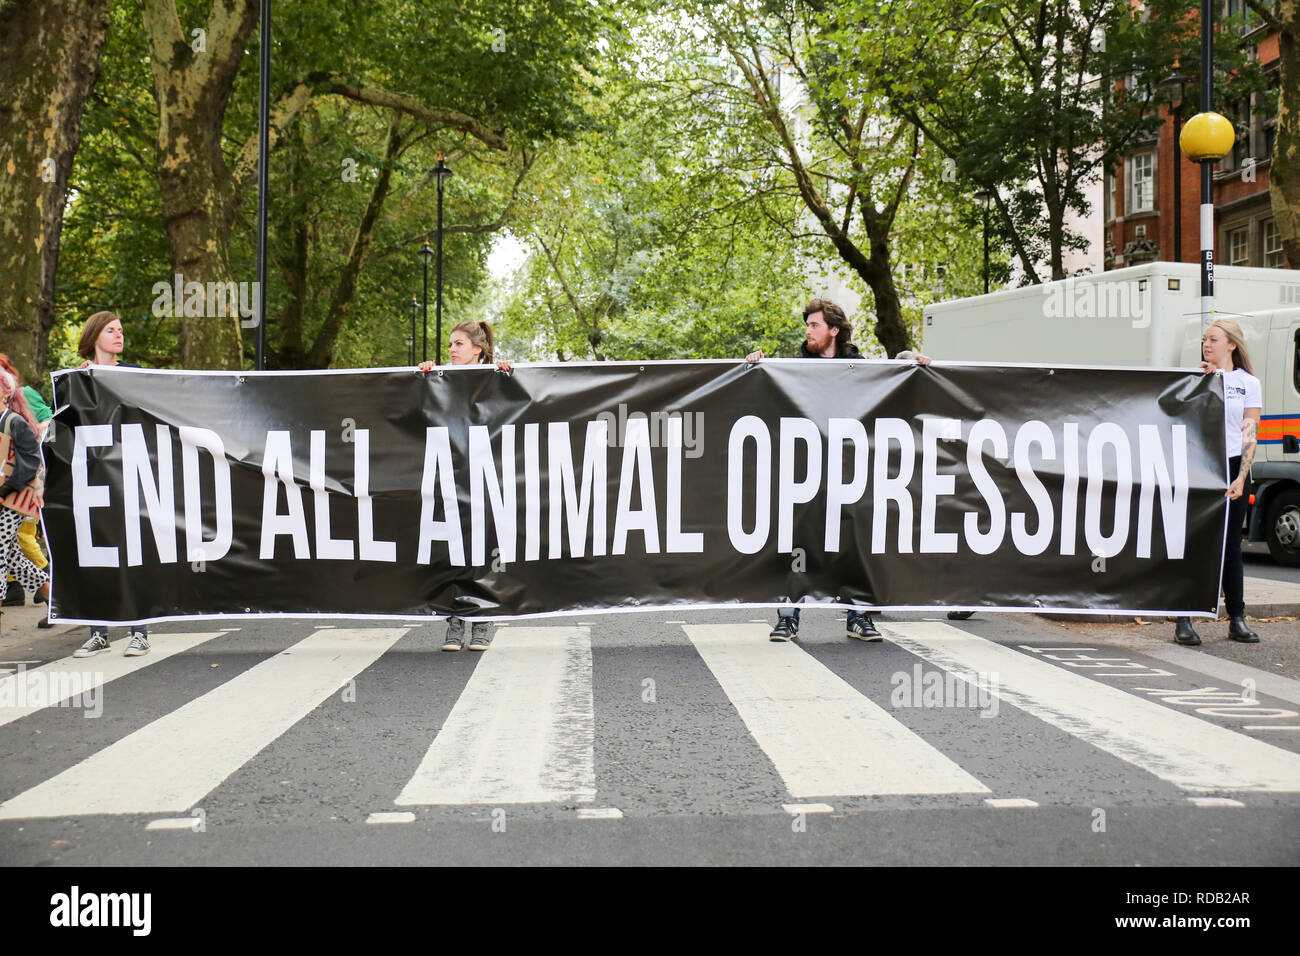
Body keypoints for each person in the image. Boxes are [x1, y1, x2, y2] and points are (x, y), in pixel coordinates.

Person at [746, 298, 889, 643]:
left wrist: (912, 363)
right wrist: (755, 366)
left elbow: (893, 382)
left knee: (852, 543)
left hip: (846, 470)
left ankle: (858, 617)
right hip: (805, 471)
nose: (808, 331)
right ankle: (788, 617)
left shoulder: (858, 366)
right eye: (807, 325)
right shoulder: (796, 367)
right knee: (798, 543)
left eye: (815, 325)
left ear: (834, 330)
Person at [418, 320, 511, 651]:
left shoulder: (496, 378)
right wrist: (422, 378)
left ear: (478, 349)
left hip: (486, 480)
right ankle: (455, 623)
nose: (452, 350)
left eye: (458, 344)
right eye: (450, 345)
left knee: (483, 550)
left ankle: (481, 622)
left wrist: (509, 377)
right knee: (452, 549)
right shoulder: (439, 379)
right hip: (450, 477)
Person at [1175, 319, 1262, 646]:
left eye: (1213, 339)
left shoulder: (1249, 383)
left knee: (1230, 546)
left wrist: (1241, 475)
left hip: (1233, 465)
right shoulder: (1197, 378)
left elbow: (1250, 432)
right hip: (1201, 465)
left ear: (1231, 345)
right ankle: (1184, 617)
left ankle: (1236, 618)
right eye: (1204, 340)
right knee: (1196, 542)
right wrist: (1197, 382)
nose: (1206, 345)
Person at [72, 311, 150, 657]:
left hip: (130, 476)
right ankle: (99, 631)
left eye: (121, 330)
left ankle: (139, 631)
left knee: (134, 552)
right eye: (111, 330)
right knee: (95, 555)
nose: (119, 335)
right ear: (93, 338)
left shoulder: (134, 375)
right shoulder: (74, 381)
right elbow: (64, 432)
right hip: (92, 480)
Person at [0, 367, 51, 623]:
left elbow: (31, 462)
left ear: (5, 393)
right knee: (12, 556)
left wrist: (4, 489)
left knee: (0, 550)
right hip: (7, 498)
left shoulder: (14, 422)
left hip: (15, 500)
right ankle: (55, 600)